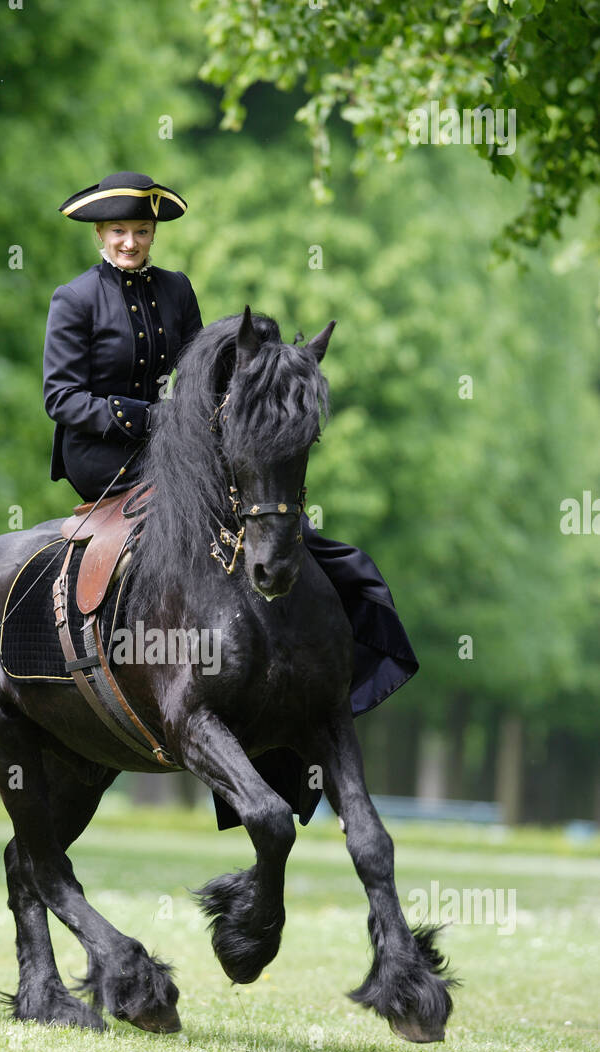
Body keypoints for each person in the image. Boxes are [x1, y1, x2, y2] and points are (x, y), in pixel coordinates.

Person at [43, 170, 418, 747]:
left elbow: (200, 380)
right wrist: (147, 419)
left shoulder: (178, 290)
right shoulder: (74, 300)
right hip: (103, 458)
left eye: (140, 231)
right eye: (118, 231)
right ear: (99, 235)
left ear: (152, 235)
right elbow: (60, 398)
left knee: (259, 509)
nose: (129, 243)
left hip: (181, 454)